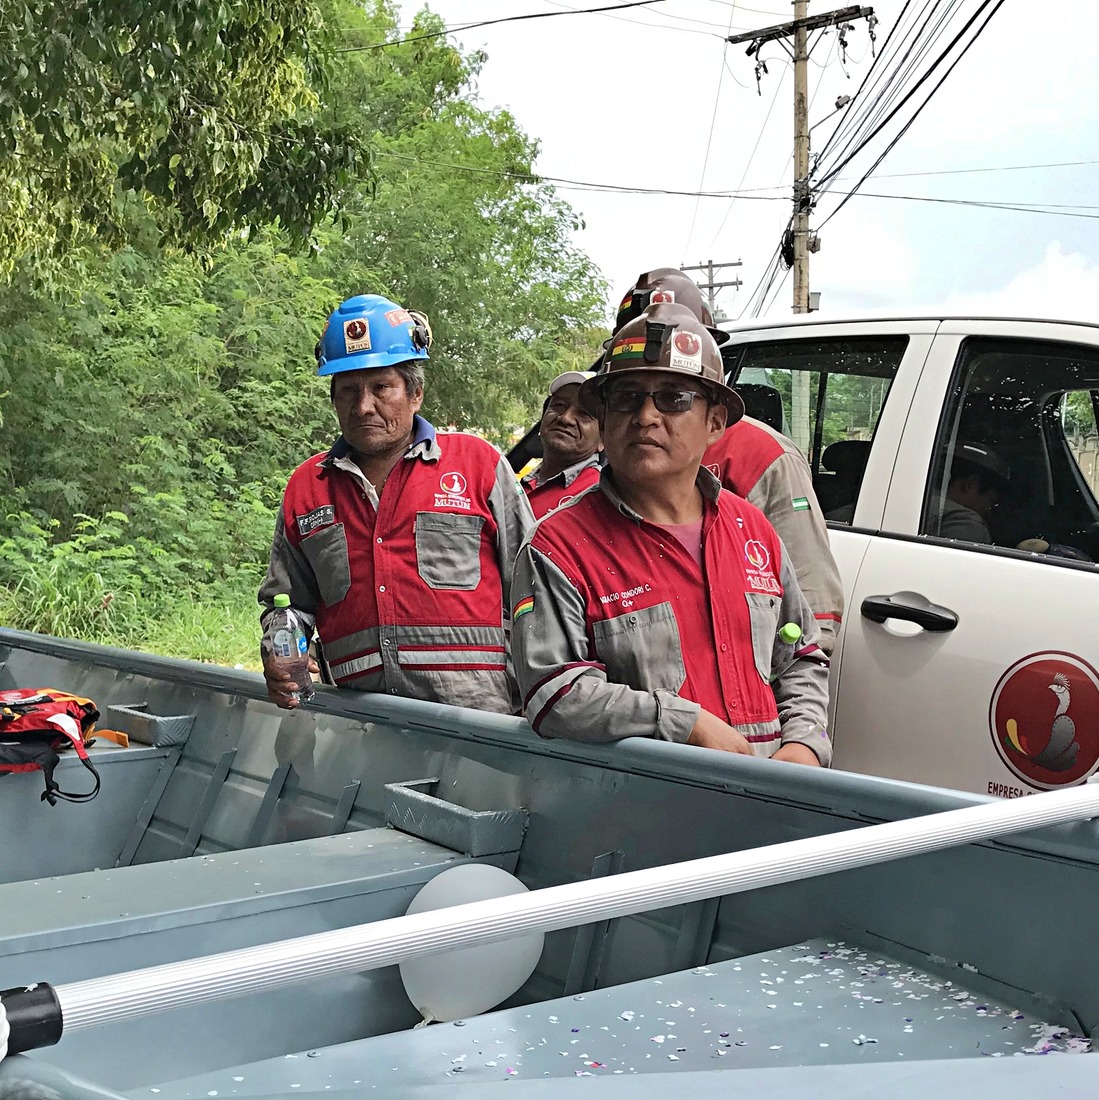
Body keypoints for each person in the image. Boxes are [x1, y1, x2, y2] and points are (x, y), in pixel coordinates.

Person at [510, 301, 831, 764]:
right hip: (645, 808)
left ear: (715, 422)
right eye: (626, 398)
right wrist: (683, 722)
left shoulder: (751, 530)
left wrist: (803, 743)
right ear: (604, 421)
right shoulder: (558, 546)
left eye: (673, 399)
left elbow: (800, 655)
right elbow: (554, 692)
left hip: (770, 799)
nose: (645, 416)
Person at [259, 295, 534, 714]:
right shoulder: (307, 487)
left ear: (416, 393)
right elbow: (287, 603)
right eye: (348, 390)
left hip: (480, 722)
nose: (363, 405)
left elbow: (535, 587)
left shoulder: (478, 465)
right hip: (359, 724)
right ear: (333, 400)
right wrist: (280, 648)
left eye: (381, 387)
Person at [610, 269, 844, 645]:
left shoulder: (764, 456)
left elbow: (811, 605)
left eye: (674, 393)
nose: (647, 415)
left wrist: (785, 687)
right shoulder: (617, 444)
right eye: (630, 389)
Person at [520, 370, 601, 514]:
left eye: (584, 413)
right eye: (559, 405)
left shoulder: (601, 496)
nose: (565, 418)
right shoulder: (516, 483)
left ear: (604, 439)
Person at [930, 442, 1009, 545]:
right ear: (970, 484)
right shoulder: (964, 522)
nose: (988, 512)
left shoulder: (914, 504)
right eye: (991, 501)